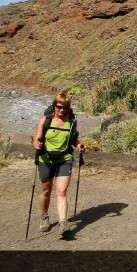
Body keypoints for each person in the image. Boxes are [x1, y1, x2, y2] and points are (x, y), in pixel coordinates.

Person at [32, 91, 85, 236]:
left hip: (64, 159)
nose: (61, 110)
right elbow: (36, 139)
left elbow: (73, 138)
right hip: (46, 160)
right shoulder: (45, 120)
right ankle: (44, 217)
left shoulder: (72, 121)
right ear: (54, 105)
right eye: (59, 107)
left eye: (65, 108)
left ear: (68, 108)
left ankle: (63, 224)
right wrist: (36, 144)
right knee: (46, 191)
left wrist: (79, 145)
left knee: (61, 192)